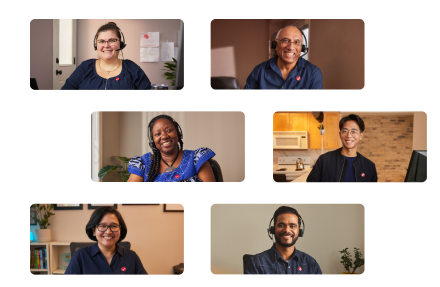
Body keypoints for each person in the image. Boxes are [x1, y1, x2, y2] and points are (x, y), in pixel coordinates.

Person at [62, 22, 151, 90]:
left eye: (112, 40)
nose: (106, 45)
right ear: (96, 44)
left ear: (120, 43)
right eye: (101, 41)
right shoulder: (85, 67)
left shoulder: (133, 69)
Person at [127, 115, 216, 182]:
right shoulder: (144, 163)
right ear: (153, 141)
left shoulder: (196, 159)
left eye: (169, 130)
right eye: (158, 134)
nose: (164, 136)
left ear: (178, 133)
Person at [64, 206, 147, 274]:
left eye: (114, 226)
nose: (108, 231)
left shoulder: (131, 257)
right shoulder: (80, 256)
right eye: (102, 226)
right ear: (93, 230)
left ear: (120, 230)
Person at [245, 206, 321, 274]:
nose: (287, 230)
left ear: (299, 231)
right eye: (281, 225)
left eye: (292, 226)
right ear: (273, 229)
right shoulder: (256, 263)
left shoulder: (311, 264)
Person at [244, 25, 322, 89]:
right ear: (275, 45)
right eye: (285, 40)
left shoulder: (313, 73)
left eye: (297, 42)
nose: (291, 47)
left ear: (302, 48)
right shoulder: (259, 71)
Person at [307, 114, 378, 182]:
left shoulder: (369, 166)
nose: (349, 135)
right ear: (340, 134)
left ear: (361, 136)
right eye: (345, 131)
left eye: (354, 131)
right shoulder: (324, 160)